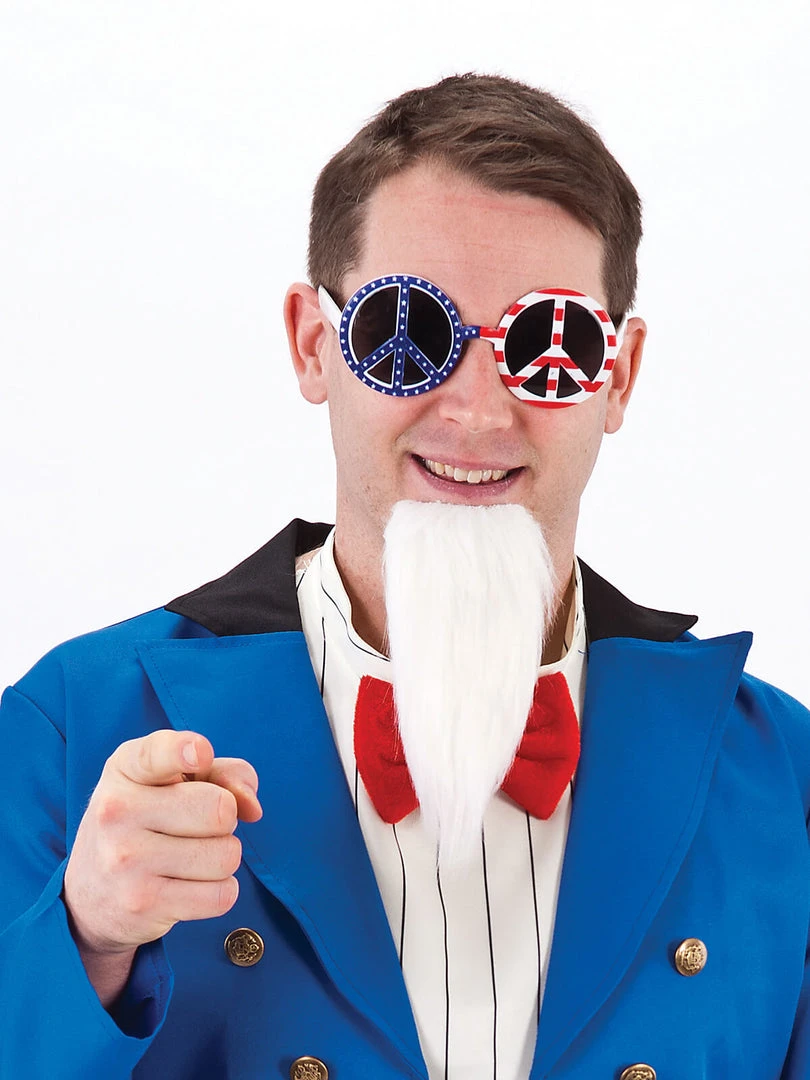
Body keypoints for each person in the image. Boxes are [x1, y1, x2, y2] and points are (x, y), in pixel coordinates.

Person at [1, 73, 808, 1080]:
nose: (477, 412)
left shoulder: (784, 775)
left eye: (548, 345)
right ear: (314, 345)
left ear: (619, 376)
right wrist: (83, 941)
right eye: (407, 333)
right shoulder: (69, 726)